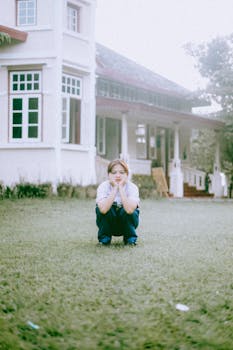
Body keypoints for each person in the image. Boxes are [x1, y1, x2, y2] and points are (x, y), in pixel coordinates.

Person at [95, 159, 140, 245]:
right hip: (109, 224)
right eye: (114, 172)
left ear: (127, 174)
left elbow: (130, 210)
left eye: (122, 172)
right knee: (105, 207)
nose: (118, 175)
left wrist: (121, 188)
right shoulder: (103, 187)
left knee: (129, 209)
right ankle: (104, 240)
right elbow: (103, 210)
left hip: (126, 224)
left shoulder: (132, 187)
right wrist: (115, 188)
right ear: (109, 174)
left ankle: (130, 240)